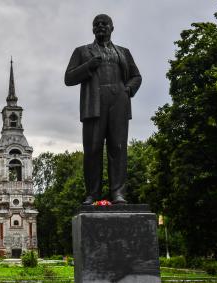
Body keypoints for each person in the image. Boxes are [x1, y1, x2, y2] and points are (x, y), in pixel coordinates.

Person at [64, 14, 142, 205]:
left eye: (104, 24)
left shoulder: (124, 52)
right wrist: (88, 65)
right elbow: (68, 78)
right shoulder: (82, 51)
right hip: (94, 104)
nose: (100, 26)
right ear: (92, 29)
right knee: (92, 149)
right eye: (96, 24)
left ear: (112, 28)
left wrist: (127, 90)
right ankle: (93, 194)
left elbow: (136, 76)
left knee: (118, 148)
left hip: (119, 102)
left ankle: (118, 193)